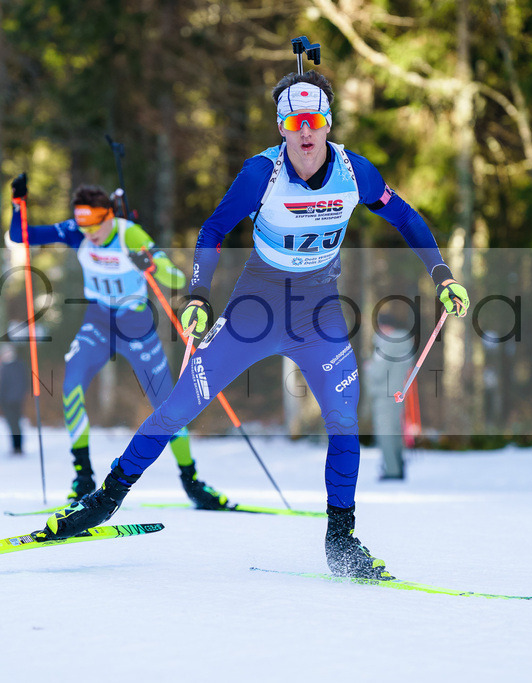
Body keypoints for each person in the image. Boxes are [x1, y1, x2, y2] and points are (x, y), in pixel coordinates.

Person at [36, 70, 470, 580]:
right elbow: (214, 229)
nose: (304, 132)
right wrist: (197, 295)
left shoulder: (357, 173)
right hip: (255, 309)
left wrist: (442, 275)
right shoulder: (260, 174)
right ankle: (103, 502)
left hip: (318, 313)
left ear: (327, 124)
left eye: (313, 121)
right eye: (293, 121)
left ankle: (341, 540)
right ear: (281, 127)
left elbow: (408, 220)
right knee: (178, 408)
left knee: (344, 422)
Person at [8, 177, 233, 508]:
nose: (90, 235)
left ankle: (192, 482)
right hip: (98, 323)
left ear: (109, 216)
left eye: (96, 227)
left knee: (167, 404)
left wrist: (151, 264)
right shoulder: (77, 229)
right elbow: (20, 237)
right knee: (71, 385)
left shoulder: (130, 235)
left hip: (136, 326)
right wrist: (18, 206)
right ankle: (83, 477)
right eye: (84, 227)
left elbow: (175, 279)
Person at [363, 312, 415, 480]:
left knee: (385, 432)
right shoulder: (404, 342)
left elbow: (378, 372)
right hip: (398, 393)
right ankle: (397, 466)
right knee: (394, 431)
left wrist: (368, 367)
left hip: (384, 394)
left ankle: (391, 470)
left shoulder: (387, 345)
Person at [0, 344, 28, 455]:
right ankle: (16, 447)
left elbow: (22, 383)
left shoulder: (15, 366)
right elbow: (2, 385)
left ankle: (18, 447)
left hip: (13, 401)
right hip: (8, 401)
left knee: (15, 424)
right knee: (13, 425)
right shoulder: (6, 367)